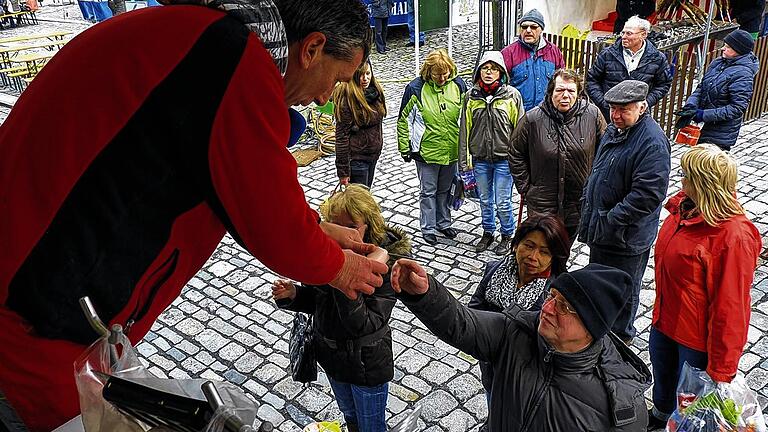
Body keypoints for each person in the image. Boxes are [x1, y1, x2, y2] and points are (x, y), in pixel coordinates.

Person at [0, 0, 390, 430]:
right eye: (335, 80)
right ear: (312, 48)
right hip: (34, 320)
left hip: (43, 296)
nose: (322, 97)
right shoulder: (234, 58)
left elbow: (241, 186)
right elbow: (273, 225)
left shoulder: (214, 42)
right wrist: (344, 268)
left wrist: (320, 228)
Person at [392, 261, 651, 431]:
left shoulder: (620, 408)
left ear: (591, 327)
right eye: (552, 297)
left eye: (564, 306)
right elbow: (463, 324)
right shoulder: (517, 332)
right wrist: (424, 293)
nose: (547, 309)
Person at [273, 184, 411, 432]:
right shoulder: (324, 254)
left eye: (352, 226)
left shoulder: (386, 264)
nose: (344, 233)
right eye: (335, 225)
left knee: (371, 426)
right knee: (350, 417)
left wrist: (344, 279)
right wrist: (293, 295)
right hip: (332, 358)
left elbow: (365, 324)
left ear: (368, 224)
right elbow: (316, 301)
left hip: (366, 365)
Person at [646, 145, 762, 430]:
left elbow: (731, 307)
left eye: (686, 174)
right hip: (665, 322)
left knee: (693, 409)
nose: (680, 178)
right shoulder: (684, 211)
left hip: (695, 343)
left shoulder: (733, 236)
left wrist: (721, 370)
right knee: (663, 381)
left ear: (703, 183)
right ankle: (660, 417)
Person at [578, 80, 671, 344]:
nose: (616, 115)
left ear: (642, 107)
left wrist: (611, 219)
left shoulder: (652, 142)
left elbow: (648, 195)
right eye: (612, 109)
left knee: (623, 291)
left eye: (623, 109)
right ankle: (598, 331)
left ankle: (620, 341)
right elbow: (600, 169)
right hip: (603, 231)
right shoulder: (616, 130)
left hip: (624, 237)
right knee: (599, 283)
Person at [467, 214, 570, 423]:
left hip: (526, 378)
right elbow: (474, 311)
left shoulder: (557, 292)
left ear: (554, 257)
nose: (533, 257)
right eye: (528, 245)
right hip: (492, 366)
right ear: (515, 245)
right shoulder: (496, 270)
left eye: (544, 252)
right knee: (495, 409)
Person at [509, 69, 607, 244]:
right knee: (542, 248)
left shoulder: (593, 115)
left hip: (576, 202)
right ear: (551, 91)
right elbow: (515, 152)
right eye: (560, 90)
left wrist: (594, 185)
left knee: (563, 249)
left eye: (571, 91)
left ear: (578, 94)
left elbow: (606, 152)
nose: (565, 96)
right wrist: (526, 187)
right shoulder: (533, 119)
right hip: (542, 203)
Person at [398, 48, 467, 245]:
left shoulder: (459, 85)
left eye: (445, 74)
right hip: (426, 151)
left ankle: (443, 223)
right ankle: (428, 227)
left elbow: (466, 117)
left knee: (445, 189)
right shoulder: (415, 88)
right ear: (429, 71)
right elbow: (404, 120)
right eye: (438, 74)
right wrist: (405, 148)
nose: (442, 78)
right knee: (428, 190)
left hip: (451, 149)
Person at [458, 50, 525, 254]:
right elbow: (464, 130)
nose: (489, 72)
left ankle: (507, 234)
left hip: (504, 160)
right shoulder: (470, 97)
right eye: (485, 68)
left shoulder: (512, 96)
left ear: (501, 72)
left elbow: (520, 130)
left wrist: (520, 160)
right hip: (480, 159)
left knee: (503, 201)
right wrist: (464, 161)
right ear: (479, 71)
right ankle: (488, 232)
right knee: (485, 200)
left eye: (494, 69)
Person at [676, 29, 759, 151]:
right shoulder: (718, 63)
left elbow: (736, 108)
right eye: (725, 45)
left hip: (720, 134)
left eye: (728, 47)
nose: (723, 49)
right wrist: (691, 105)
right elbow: (702, 87)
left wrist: (703, 115)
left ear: (739, 51)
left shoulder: (743, 74)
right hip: (703, 129)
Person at [586, 15, 672, 122]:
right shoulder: (607, 54)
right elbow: (591, 80)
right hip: (609, 116)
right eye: (623, 32)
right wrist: (604, 103)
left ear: (643, 34)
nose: (624, 37)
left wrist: (647, 102)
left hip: (638, 117)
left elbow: (664, 84)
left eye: (629, 33)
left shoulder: (657, 58)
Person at [332, 60, 387, 187]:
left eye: (368, 73)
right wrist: (343, 172)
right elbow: (341, 138)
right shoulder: (347, 100)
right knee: (360, 202)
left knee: (366, 195)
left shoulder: (376, 92)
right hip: (357, 160)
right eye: (361, 74)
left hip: (372, 156)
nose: (365, 78)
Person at [501, 9, 565, 112]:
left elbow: (562, 82)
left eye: (534, 27)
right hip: (519, 115)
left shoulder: (554, 52)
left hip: (547, 114)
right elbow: (500, 86)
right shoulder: (508, 53)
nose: (528, 30)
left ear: (541, 30)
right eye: (524, 27)